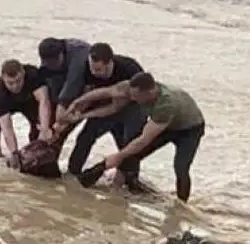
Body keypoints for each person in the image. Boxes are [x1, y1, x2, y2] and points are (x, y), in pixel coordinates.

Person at [77, 72, 205, 202]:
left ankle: (182, 204)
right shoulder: (135, 89)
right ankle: (116, 189)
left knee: (181, 167)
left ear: (150, 93)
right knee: (131, 154)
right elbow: (106, 92)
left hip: (189, 129)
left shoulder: (165, 105)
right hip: (166, 123)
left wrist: (118, 156)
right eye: (131, 94)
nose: (132, 99)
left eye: (136, 96)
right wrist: (77, 104)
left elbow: (143, 140)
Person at [58, 42, 146, 187]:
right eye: (91, 67)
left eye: (98, 69)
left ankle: (129, 180)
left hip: (133, 107)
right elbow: (91, 95)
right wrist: (73, 113)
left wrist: (86, 114)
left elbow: (115, 107)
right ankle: (73, 173)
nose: (94, 72)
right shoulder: (88, 69)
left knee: (129, 144)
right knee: (86, 136)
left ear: (110, 62)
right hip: (106, 104)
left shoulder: (129, 69)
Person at [0, 59, 52, 166]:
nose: (15, 86)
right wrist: (14, 153)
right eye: (10, 83)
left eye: (18, 81)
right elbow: (7, 128)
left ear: (23, 73)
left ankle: (35, 157)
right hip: (7, 103)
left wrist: (44, 130)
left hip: (30, 102)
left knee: (38, 133)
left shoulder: (33, 74)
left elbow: (44, 102)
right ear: (3, 78)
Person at [37, 37, 90, 127]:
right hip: (63, 77)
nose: (52, 66)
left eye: (54, 63)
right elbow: (46, 80)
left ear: (61, 54)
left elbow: (74, 80)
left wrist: (62, 104)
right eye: (49, 64)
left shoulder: (79, 52)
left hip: (87, 81)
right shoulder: (47, 60)